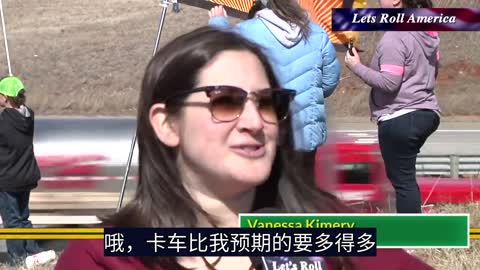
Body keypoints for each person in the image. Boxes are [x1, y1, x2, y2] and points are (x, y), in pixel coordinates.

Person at [55, 26, 433, 270]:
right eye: (225, 101)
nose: (255, 122)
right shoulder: (105, 259)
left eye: (268, 102)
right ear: (166, 123)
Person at [207, 0, 341, 180]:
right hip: (306, 135)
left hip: (264, 132)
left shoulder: (246, 32)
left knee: (266, 199)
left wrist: (219, 27)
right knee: (303, 197)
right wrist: (309, 95)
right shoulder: (317, 34)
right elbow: (329, 81)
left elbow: (223, 69)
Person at [344, 0, 441, 213]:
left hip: (400, 116)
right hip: (426, 110)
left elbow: (389, 83)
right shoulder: (428, 31)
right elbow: (434, 70)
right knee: (405, 177)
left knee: (402, 181)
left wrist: (356, 66)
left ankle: (409, 237)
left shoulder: (395, 37)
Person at [0, 76, 56, 265]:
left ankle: (19, 259)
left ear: (5, 97)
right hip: (26, 175)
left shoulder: (5, 121)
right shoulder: (28, 116)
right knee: (23, 217)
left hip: (8, 178)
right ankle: (33, 250)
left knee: (12, 221)